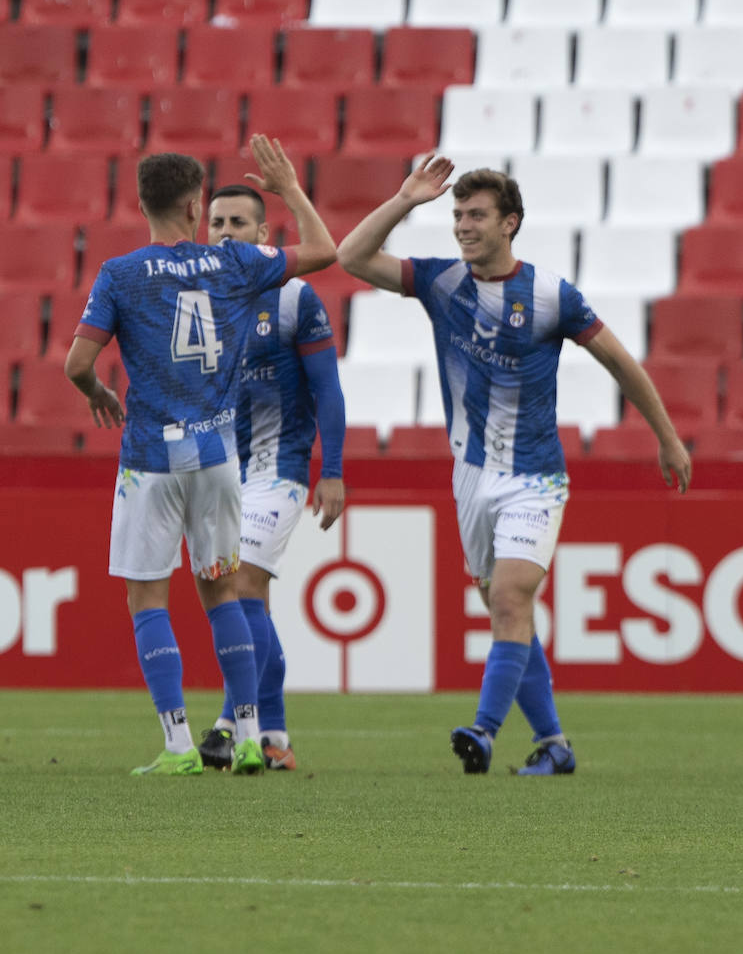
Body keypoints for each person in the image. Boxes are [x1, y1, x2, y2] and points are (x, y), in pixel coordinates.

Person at [337, 154, 692, 776]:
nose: (462, 225)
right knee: (509, 612)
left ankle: (484, 729)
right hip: (470, 477)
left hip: (534, 476)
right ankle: (554, 744)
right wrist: (405, 200)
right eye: (457, 214)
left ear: (511, 224)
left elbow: (618, 362)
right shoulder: (443, 283)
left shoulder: (553, 296)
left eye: (476, 215)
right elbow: (352, 258)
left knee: (508, 598)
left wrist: (666, 437)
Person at [64, 136, 337, 777]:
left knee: (148, 601)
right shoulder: (234, 265)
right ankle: (248, 735)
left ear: (141, 203)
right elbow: (326, 251)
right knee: (222, 596)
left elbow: (78, 363)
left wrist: (98, 391)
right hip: (218, 458)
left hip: (152, 460)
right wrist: (290, 188)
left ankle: (180, 746)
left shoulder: (121, 273)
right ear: (195, 206)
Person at [195, 182, 346, 772]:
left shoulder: (293, 298)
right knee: (248, 597)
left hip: (277, 471)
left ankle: (230, 724)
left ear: (264, 235)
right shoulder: (197, 299)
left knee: (243, 583)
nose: (226, 232)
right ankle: (276, 735)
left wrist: (329, 472)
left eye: (239, 222)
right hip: (216, 474)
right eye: (217, 222)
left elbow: (327, 390)